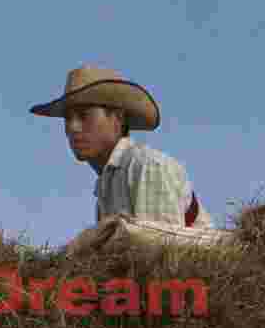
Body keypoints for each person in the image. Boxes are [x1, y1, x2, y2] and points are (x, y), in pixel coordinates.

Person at [27, 64, 198, 254]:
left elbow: (163, 256)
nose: (73, 127)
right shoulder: (106, 184)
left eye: (84, 116)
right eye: (68, 119)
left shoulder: (146, 165)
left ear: (117, 118)